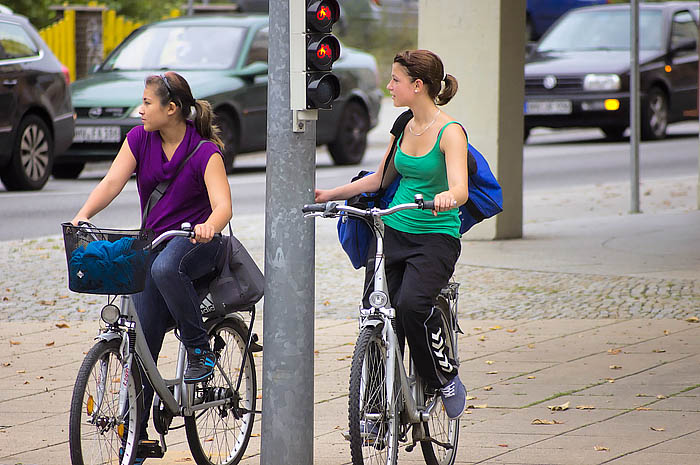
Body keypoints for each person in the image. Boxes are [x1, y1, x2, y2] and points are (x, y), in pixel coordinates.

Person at [70, 71, 232, 457]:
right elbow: (111, 182)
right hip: (156, 244)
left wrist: (208, 226)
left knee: (163, 269)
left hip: (196, 244)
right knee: (142, 339)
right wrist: (82, 215)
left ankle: (199, 351)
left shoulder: (204, 151)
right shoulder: (139, 140)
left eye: (146, 103)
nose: (139, 110)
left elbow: (223, 205)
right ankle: (137, 437)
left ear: (171, 109)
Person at [315, 49, 468, 419]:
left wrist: (446, 198)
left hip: (435, 236)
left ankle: (443, 376)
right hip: (393, 230)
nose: (389, 86)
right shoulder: (402, 125)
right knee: (376, 315)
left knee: (412, 307)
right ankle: (377, 410)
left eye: (396, 79)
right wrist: (330, 195)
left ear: (418, 86)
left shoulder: (451, 132)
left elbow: (460, 189)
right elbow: (382, 177)